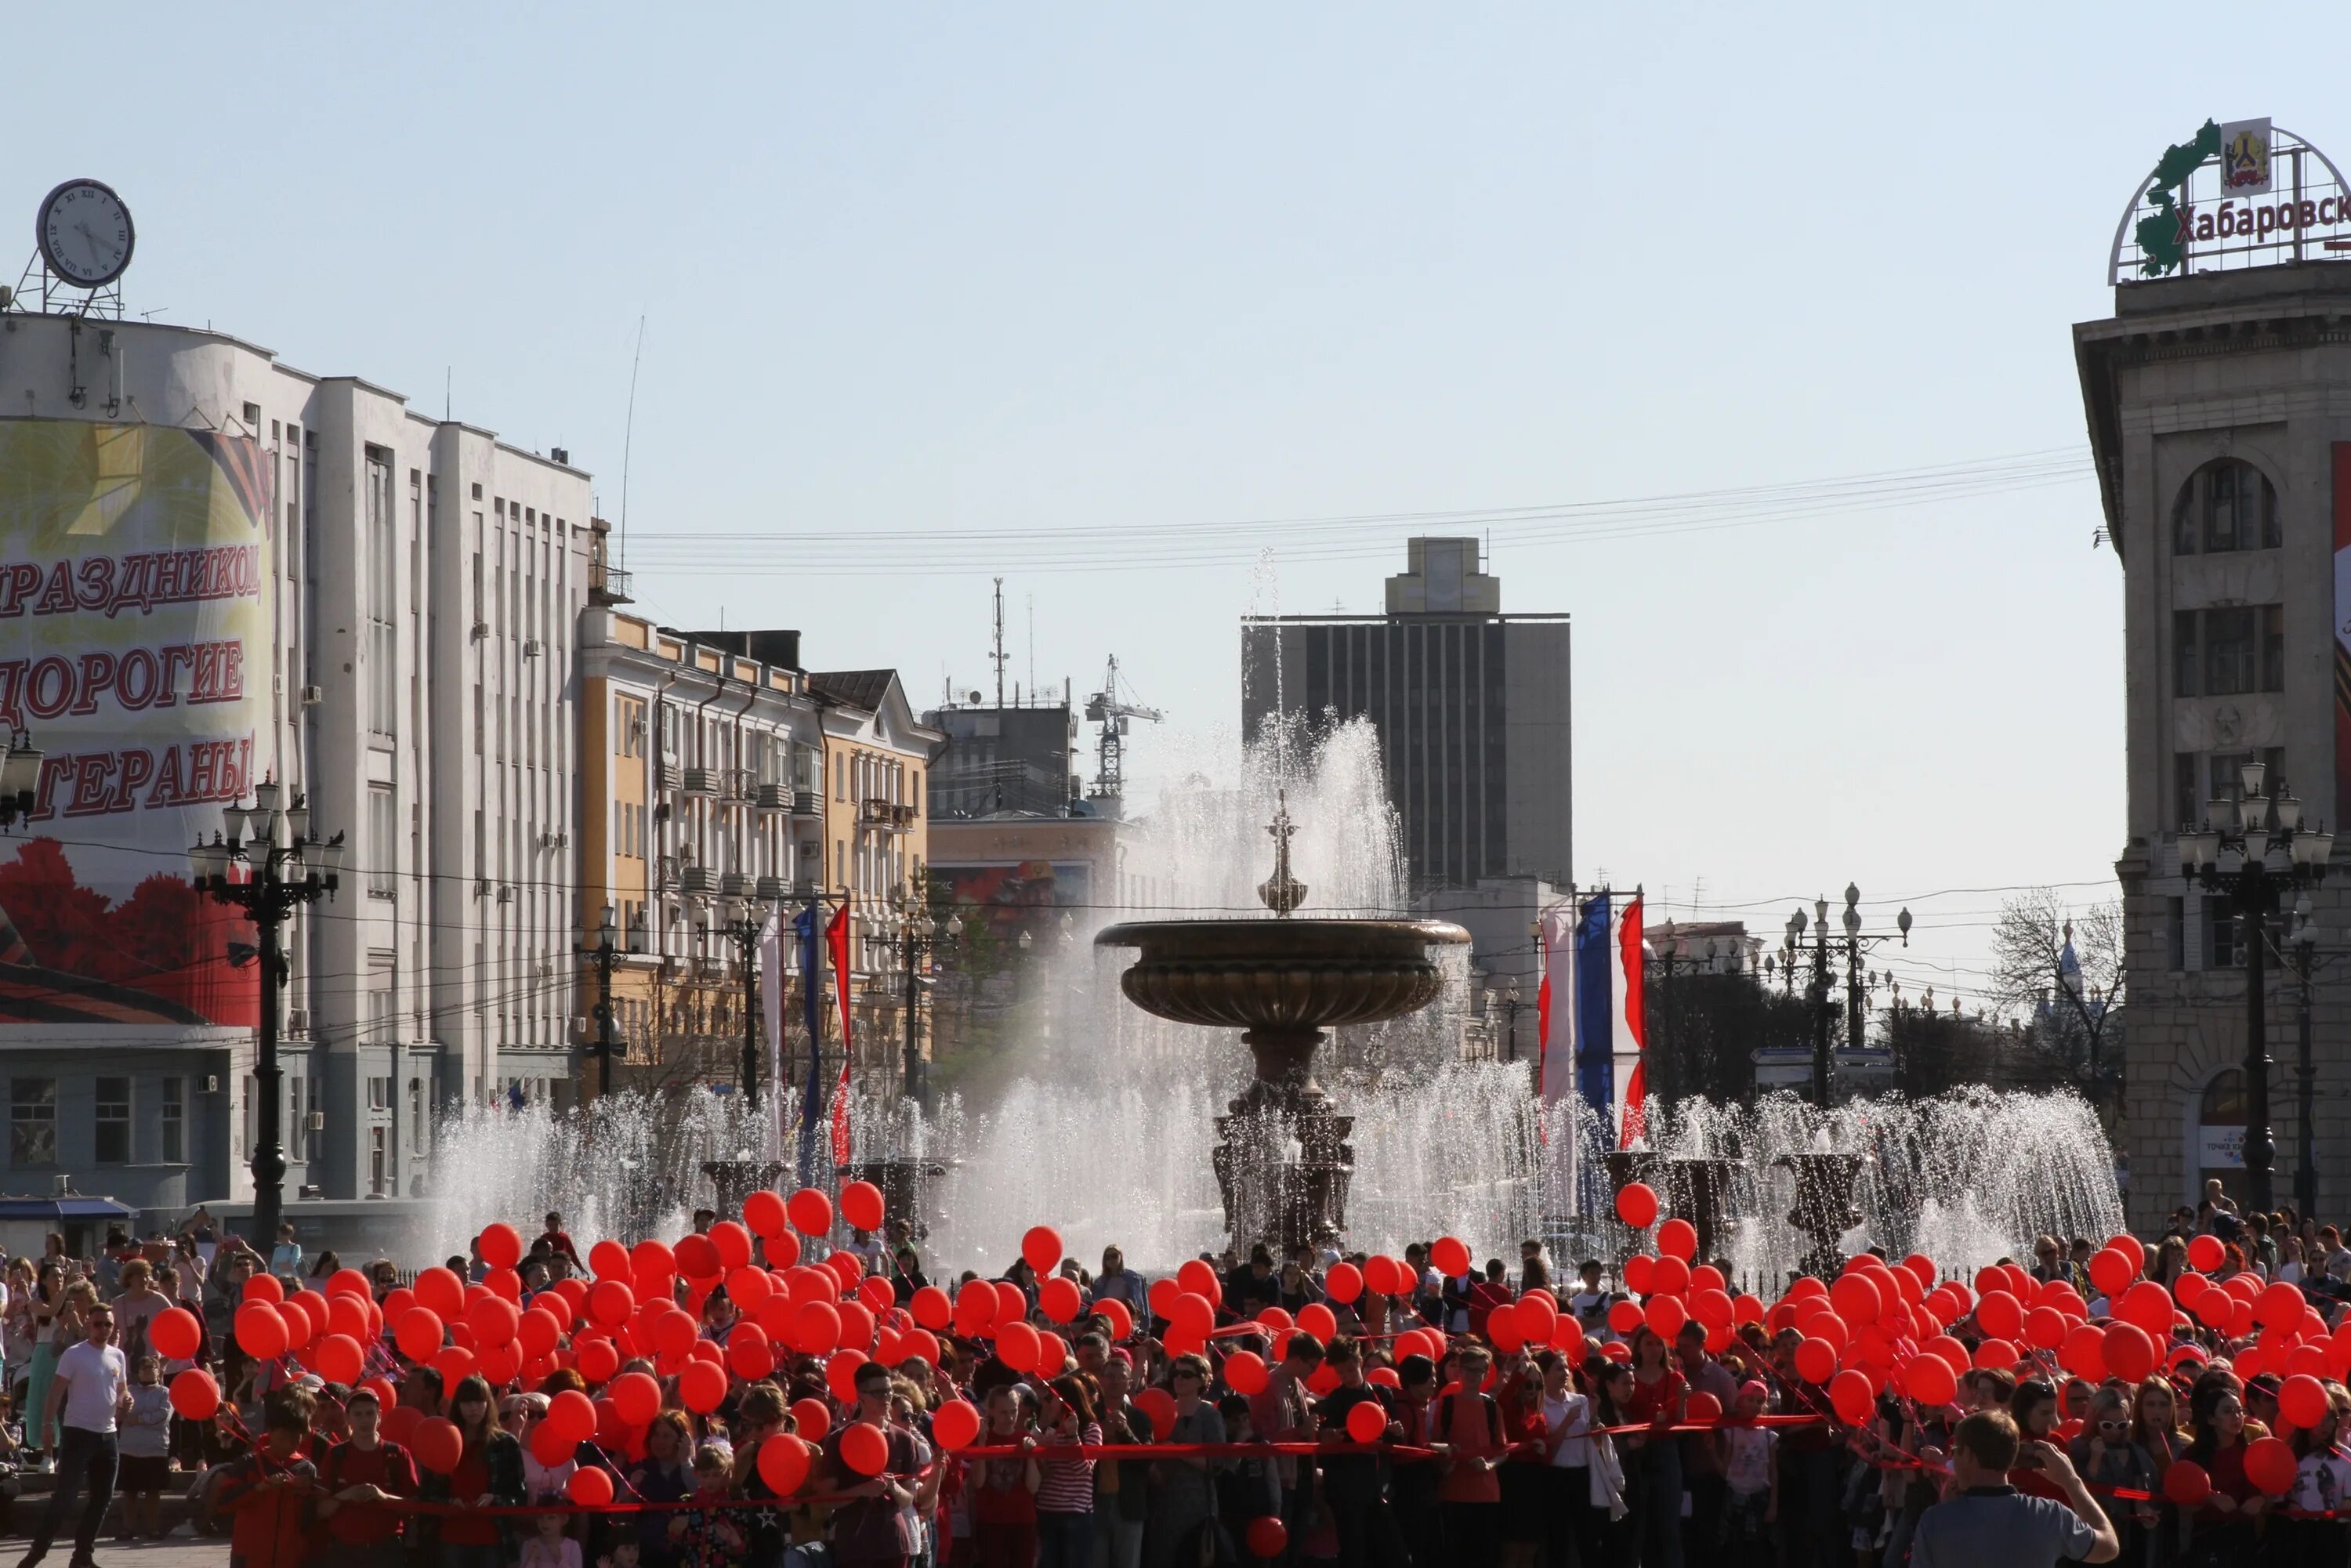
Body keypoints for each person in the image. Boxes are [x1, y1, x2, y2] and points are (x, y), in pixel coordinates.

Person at [1908, 1410, 2119, 1566]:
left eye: (1956, 1450)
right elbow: (2108, 1547)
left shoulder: (1934, 1521)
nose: (1952, 1457)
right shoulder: (2049, 1516)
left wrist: (1947, 1511)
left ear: (1970, 1455)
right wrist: (2072, 1482)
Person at [16, 1296, 129, 1568]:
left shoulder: (118, 1356)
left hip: (108, 1435)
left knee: (102, 1498)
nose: (103, 1329)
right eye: (98, 1324)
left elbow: (122, 1389)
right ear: (89, 1325)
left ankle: (82, 1556)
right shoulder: (75, 1354)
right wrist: (46, 1426)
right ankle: (37, 1552)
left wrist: (127, 1399)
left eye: (108, 1325)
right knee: (65, 1498)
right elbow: (55, 1393)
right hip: (78, 1433)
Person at [821, 1359, 930, 1568]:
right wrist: (861, 1490)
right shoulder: (839, 1440)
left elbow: (909, 1499)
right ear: (860, 1395)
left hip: (894, 1544)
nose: (886, 1397)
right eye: (878, 1393)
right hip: (854, 1546)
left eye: (889, 1391)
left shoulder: (903, 1438)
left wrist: (894, 1488)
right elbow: (826, 1499)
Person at [425, 1371, 527, 1568]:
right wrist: (449, 1503)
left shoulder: (505, 1444)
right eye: (467, 1402)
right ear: (458, 1405)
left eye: (479, 1401)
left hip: (492, 1539)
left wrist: (495, 1499)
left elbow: (519, 1495)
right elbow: (428, 1491)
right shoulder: (445, 1440)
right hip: (452, 1537)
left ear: (488, 1404)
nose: (473, 1408)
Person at [212, 1387, 321, 1568]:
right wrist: (259, 1487)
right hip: (250, 1555)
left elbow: (312, 1519)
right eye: (283, 1438)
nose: (290, 1445)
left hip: (292, 1556)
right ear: (270, 1432)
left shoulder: (305, 1468)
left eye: (296, 1440)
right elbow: (223, 1501)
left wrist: (311, 1492)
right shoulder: (249, 1463)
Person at [316, 1385, 419, 1568]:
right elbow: (321, 1510)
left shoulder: (397, 1454)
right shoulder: (336, 1455)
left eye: (370, 1414)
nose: (365, 1420)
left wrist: (384, 1497)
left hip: (386, 1549)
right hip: (344, 1551)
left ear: (379, 1416)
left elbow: (413, 1506)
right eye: (358, 1414)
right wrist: (345, 1495)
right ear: (348, 1418)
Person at [1429, 1342, 1508, 1568]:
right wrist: (1448, 1460)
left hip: (1486, 1494)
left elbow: (1503, 1451)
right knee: (1456, 1557)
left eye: (1479, 1370)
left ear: (1486, 1373)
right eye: (1469, 1369)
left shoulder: (1493, 1407)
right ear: (1460, 1371)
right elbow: (1436, 1446)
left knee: (1484, 1557)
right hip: (1453, 1492)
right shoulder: (1447, 1405)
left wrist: (1489, 1466)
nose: (1473, 1375)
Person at [1147, 1353, 1224, 1568]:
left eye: (1187, 1374)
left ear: (1202, 1380)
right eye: (1176, 1373)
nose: (1179, 1379)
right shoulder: (1163, 1407)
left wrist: (1179, 1452)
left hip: (1198, 1504)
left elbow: (1216, 1464)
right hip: (1164, 1502)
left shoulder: (1209, 1415)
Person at [1034, 1374, 1101, 1568]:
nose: (1047, 1403)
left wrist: (1073, 1437)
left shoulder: (1091, 1429)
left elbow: (1084, 1469)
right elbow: (1045, 1474)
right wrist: (1039, 1451)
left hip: (1076, 1514)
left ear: (1065, 1401)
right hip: (1047, 1512)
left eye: (1050, 1398)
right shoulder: (1050, 1430)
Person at [112, 1353, 171, 1541]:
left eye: (151, 1368)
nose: (147, 1372)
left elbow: (162, 1418)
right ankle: (128, 1528)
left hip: (155, 1449)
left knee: (153, 1491)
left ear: (158, 1371)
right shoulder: (128, 1391)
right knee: (129, 1492)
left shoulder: (165, 1393)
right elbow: (118, 1415)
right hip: (129, 1448)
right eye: (143, 1368)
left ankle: (152, 1528)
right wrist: (125, 1411)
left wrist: (137, 1419)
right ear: (138, 1373)